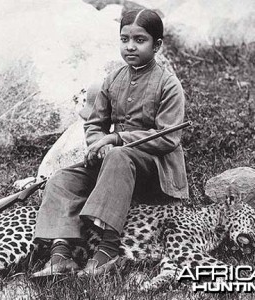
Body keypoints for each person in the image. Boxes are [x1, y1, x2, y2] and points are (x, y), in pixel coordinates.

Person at [32, 8, 189, 277]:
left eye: (140, 40)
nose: (130, 46)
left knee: (118, 156)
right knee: (61, 179)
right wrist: (98, 144)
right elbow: (94, 123)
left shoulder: (168, 84)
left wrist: (116, 139)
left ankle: (108, 249)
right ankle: (61, 253)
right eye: (124, 39)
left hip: (156, 172)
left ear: (157, 45)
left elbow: (168, 138)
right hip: (115, 165)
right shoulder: (114, 79)